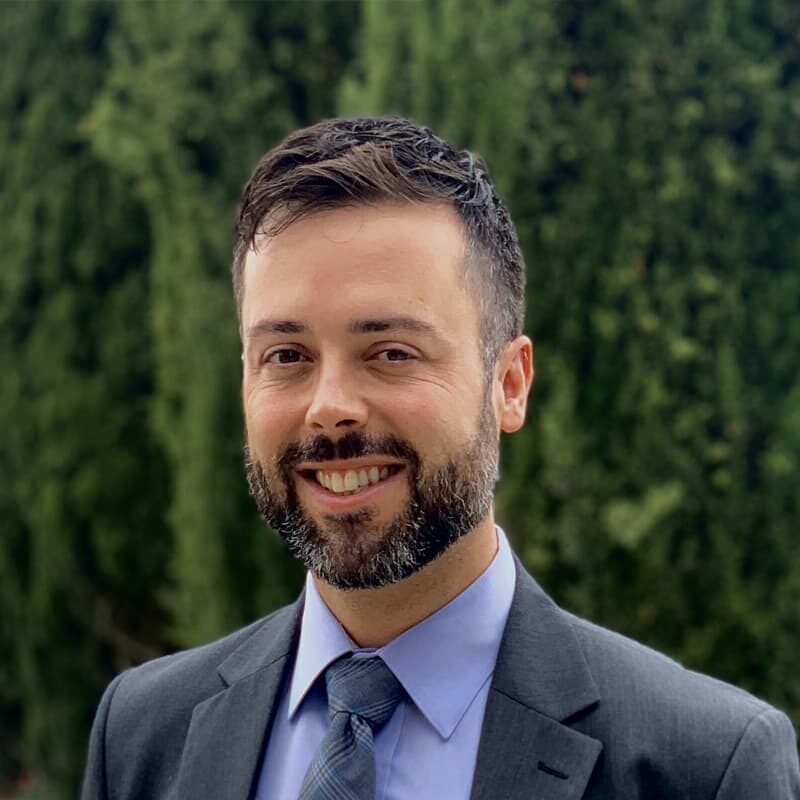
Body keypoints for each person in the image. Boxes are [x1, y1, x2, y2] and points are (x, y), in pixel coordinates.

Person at [82, 116, 799, 800]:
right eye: (287, 355)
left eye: (391, 352)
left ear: (509, 385)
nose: (330, 405)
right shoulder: (145, 737)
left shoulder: (701, 768)